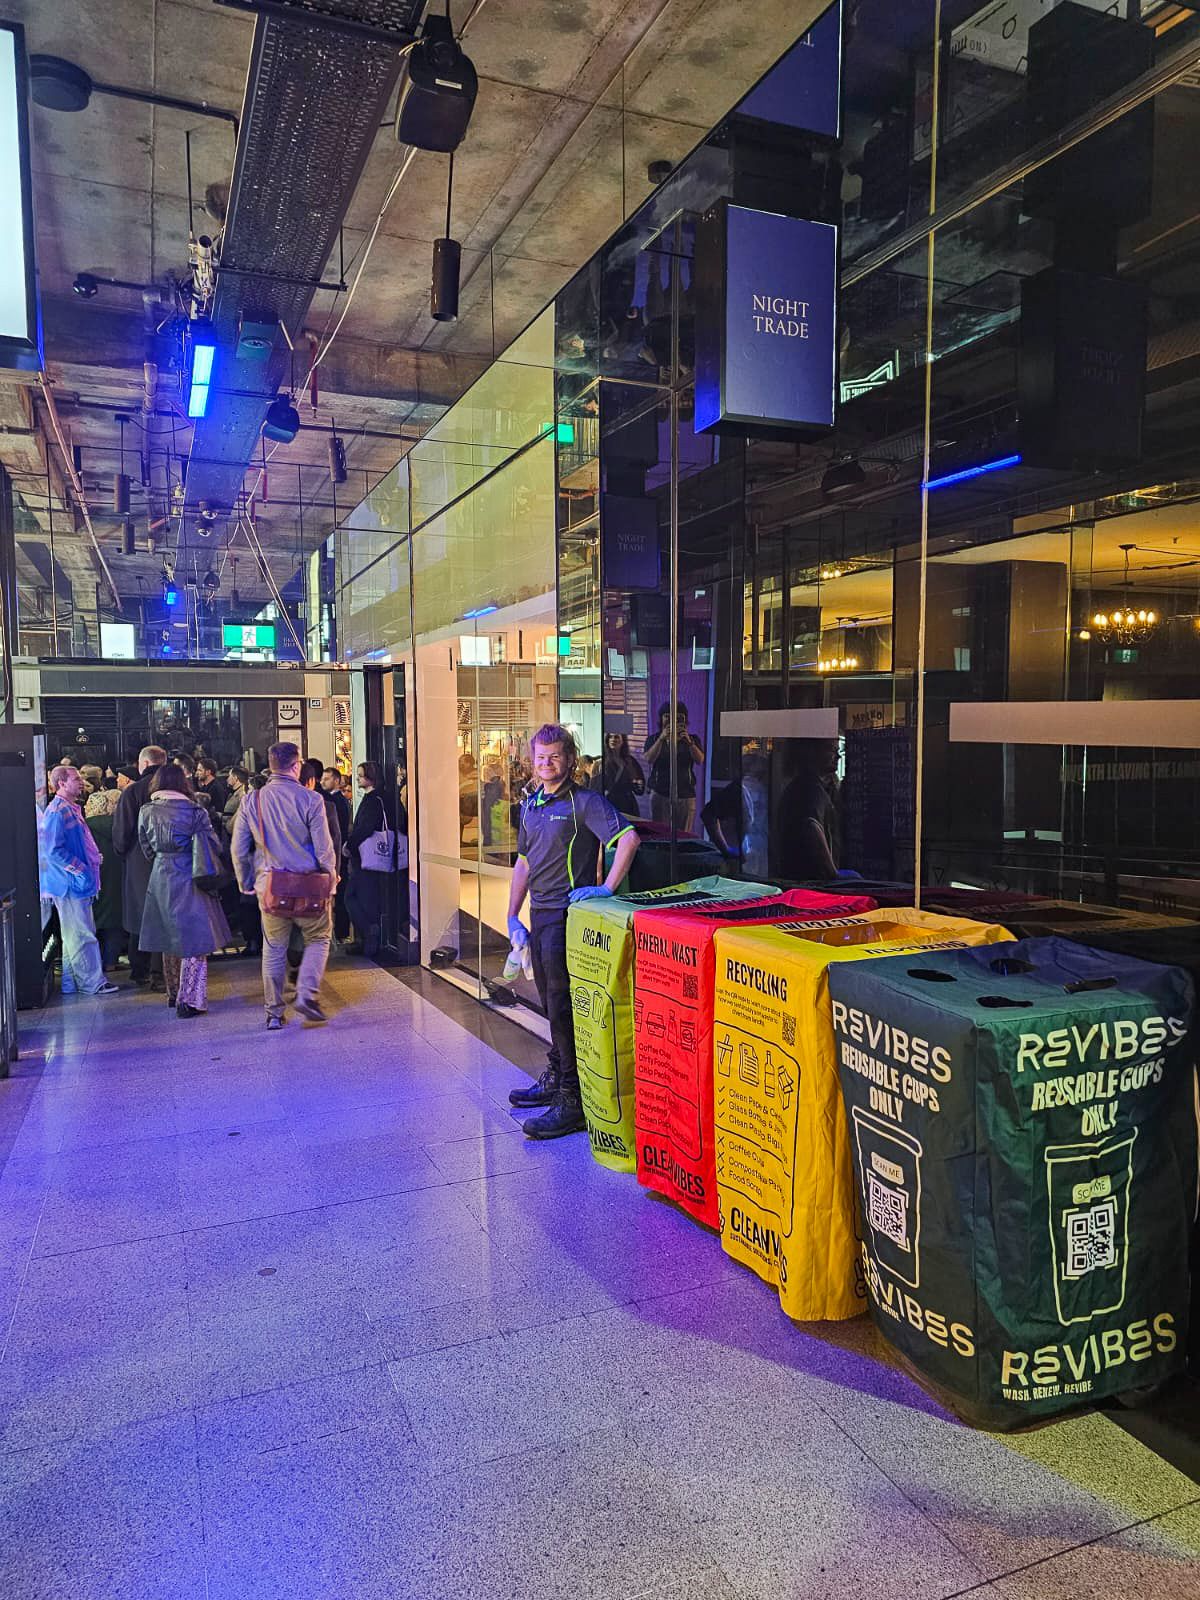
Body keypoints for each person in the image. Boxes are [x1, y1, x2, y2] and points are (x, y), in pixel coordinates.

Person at [506, 723, 640, 1140]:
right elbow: (524, 863)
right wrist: (512, 915)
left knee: (563, 1008)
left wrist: (605, 888)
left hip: (569, 918)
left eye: (555, 756)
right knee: (549, 1002)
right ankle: (557, 1072)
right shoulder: (530, 806)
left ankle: (572, 1099)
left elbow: (629, 838)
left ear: (570, 758)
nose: (546, 764)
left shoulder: (585, 802)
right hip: (540, 916)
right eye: (540, 757)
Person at [232, 741, 337, 1029]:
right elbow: (324, 849)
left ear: (271, 764)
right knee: (318, 939)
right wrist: (331, 880)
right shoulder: (311, 800)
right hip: (309, 888)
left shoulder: (251, 801)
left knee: (274, 947)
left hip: (272, 888)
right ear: (297, 764)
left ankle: (274, 1013)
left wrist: (246, 882)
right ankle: (306, 993)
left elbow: (239, 849)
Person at [137, 763, 232, 1016]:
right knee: (195, 940)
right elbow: (213, 844)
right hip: (191, 874)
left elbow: (145, 847)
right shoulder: (195, 811)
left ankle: (172, 992)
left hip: (160, 875)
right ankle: (190, 999)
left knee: (169, 938)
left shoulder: (146, 811)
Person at [40, 765, 119, 997]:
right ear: (61, 783)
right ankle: (91, 982)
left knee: (74, 935)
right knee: (82, 934)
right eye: (75, 779)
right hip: (69, 885)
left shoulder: (68, 808)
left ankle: (70, 983)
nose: (81, 782)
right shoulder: (58, 811)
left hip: (74, 884)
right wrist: (81, 869)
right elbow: (53, 850)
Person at [113, 744, 168, 988]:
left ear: (143, 764)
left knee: (139, 914)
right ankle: (162, 970)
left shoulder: (132, 792)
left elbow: (122, 834)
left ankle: (139, 968)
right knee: (165, 915)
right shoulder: (176, 789)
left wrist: (124, 853)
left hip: (138, 862)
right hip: (171, 863)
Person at [344, 761, 396, 959]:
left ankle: (369, 932)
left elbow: (364, 828)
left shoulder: (372, 800)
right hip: (373, 858)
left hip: (367, 857)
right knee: (364, 898)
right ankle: (368, 936)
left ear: (370, 778)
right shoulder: (382, 798)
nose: (357, 778)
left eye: (360, 775)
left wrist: (349, 845)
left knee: (353, 897)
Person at [774, 739, 841, 882]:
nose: (838, 756)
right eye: (831, 750)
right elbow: (812, 827)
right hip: (811, 883)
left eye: (838, 751)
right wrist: (834, 876)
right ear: (811, 752)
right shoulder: (810, 788)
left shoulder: (804, 785)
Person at [643, 701, 705, 833]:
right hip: (660, 792)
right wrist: (661, 739)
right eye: (667, 716)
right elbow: (649, 759)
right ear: (661, 719)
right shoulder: (654, 739)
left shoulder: (691, 739)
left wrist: (689, 742)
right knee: (660, 833)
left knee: (683, 835)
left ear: (684, 719)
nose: (672, 720)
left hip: (685, 794)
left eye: (678, 717)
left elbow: (700, 760)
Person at [85, 785, 126, 970]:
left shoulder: (85, 828)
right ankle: (111, 960)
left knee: (93, 921)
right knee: (114, 922)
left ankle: (96, 963)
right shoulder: (120, 826)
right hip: (117, 877)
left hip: (94, 878)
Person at [321, 767, 352, 941]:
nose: (323, 782)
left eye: (327, 779)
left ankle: (342, 932)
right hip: (338, 852)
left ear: (336, 780)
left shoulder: (337, 802)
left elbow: (337, 831)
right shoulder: (331, 800)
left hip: (340, 852)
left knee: (341, 895)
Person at [592, 732, 645, 817]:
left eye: (616, 737)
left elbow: (639, 789)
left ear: (623, 741)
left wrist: (638, 783)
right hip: (609, 805)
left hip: (628, 806)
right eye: (610, 737)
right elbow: (595, 788)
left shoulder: (630, 762)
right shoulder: (601, 763)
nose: (613, 739)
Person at [223, 766, 250, 838]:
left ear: (235, 778)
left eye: (229, 776)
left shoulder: (242, 795)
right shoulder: (234, 793)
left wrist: (229, 826)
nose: (227, 779)